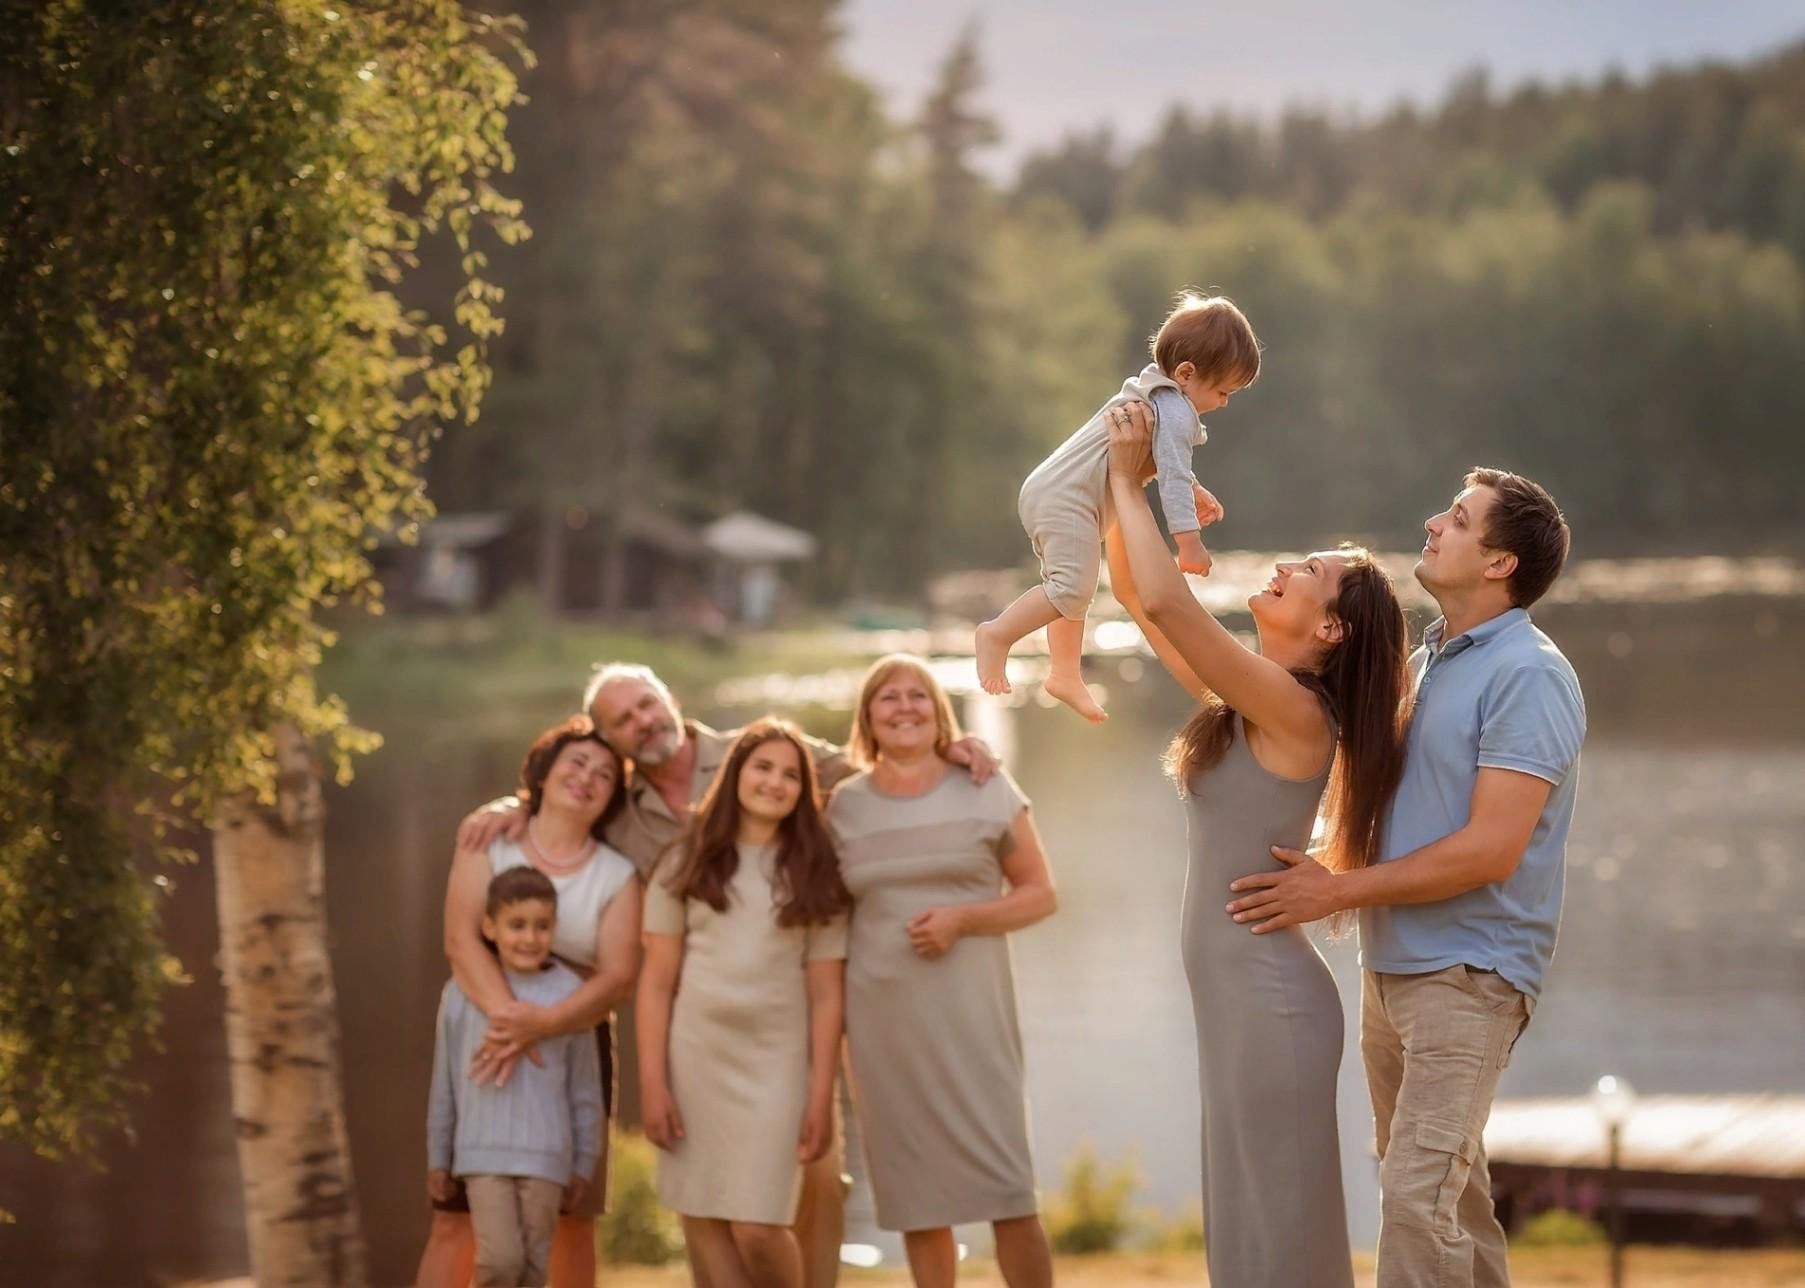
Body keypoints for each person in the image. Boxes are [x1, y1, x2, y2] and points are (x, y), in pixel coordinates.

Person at [454, 662, 997, 1288]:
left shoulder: (758, 754)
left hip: (788, 1022)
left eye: (647, 704)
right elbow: (561, 809)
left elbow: (875, 771)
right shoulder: (619, 812)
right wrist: (510, 807)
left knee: (810, 1186)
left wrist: (948, 747)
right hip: (699, 1032)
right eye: (623, 719)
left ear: (669, 701)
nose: (643, 721)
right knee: (708, 1207)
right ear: (610, 739)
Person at [1224, 467, 1585, 1288]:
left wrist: (1335, 890)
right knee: (1449, 1206)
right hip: (1394, 971)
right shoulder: (1431, 662)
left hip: (1471, 976)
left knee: (1416, 1202)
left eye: (1457, 520)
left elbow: (1490, 849)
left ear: (1499, 564)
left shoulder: (1526, 674)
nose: (1433, 523)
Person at [1104, 400, 1412, 1287]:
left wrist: (1136, 480)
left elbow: (1166, 595)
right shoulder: (1247, 701)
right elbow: (1137, 598)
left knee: (1281, 1236)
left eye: (1304, 571)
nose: (1281, 567)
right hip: (1237, 1001)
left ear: (1330, 630)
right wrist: (1139, 490)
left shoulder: (1293, 709)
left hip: (1268, 1005)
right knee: (1243, 1230)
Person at [825, 654, 1058, 1288]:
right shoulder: (842, 805)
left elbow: (1041, 893)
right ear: (868, 719)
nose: (904, 707)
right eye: (888, 698)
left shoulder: (986, 784)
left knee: (1011, 1194)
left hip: (974, 1020)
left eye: (917, 696)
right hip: (882, 1028)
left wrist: (964, 919)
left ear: (939, 711)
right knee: (917, 1202)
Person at [416, 716, 644, 1288]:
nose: (587, 778)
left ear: (613, 798)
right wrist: (509, 1021)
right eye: (576, 763)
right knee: (455, 1223)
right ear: (543, 773)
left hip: (573, 1038)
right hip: (483, 1029)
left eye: (605, 776)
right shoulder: (488, 837)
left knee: (572, 1222)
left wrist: (542, 1024)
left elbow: (618, 977)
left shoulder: (617, 874)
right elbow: (460, 940)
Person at [975, 292, 1260, 723]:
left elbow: (1167, 464)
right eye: (1223, 391)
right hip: (1068, 499)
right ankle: (997, 634)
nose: (1224, 402)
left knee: (1073, 588)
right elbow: (1174, 473)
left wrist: (1195, 491)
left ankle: (1065, 674)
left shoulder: (1156, 392)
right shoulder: (1176, 409)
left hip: (1059, 493)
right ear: (1186, 374)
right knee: (1070, 589)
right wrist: (1189, 544)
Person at [638, 719, 850, 1288]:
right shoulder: (684, 861)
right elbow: (656, 982)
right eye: (762, 767)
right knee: (706, 1218)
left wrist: (819, 1096)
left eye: (789, 775)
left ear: (803, 792)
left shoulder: (814, 871)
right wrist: (653, 1083)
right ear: (733, 774)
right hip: (696, 1062)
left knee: (759, 1227)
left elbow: (827, 995)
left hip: (776, 1065)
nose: (774, 783)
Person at [427, 867, 604, 1287]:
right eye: (517, 925)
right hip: (482, 1154)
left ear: (555, 929)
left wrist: (583, 1161)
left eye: (542, 926)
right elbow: (445, 1081)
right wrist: (438, 1156)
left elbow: (584, 1087)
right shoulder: (461, 993)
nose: (530, 938)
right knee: (501, 1261)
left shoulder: (570, 997)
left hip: (548, 1157)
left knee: (532, 1267)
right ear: (490, 927)